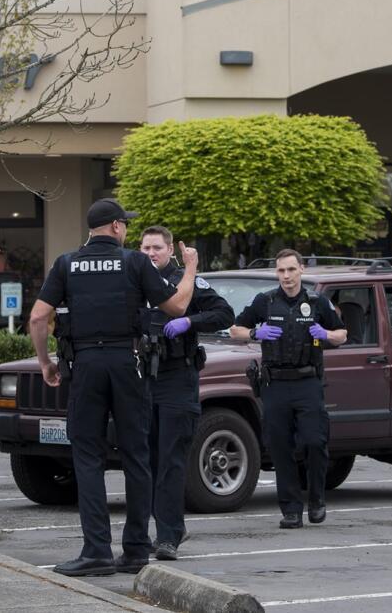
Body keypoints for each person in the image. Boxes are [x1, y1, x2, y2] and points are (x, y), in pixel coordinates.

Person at [28, 198, 198, 577]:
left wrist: (45, 362)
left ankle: (96, 552)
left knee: (88, 457)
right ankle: (136, 549)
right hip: (128, 363)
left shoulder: (67, 263)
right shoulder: (134, 262)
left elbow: (39, 317)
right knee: (137, 456)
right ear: (118, 227)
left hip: (85, 365)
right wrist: (190, 269)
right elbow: (178, 307)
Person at [230, 249, 346, 529]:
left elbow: (342, 334)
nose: (286, 276)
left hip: (308, 381)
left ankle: (316, 500)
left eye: (291, 270)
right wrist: (256, 333)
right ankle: (291, 509)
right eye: (281, 271)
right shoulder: (265, 301)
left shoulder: (317, 302)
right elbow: (235, 329)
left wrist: (326, 335)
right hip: (276, 384)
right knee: (280, 447)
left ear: (301, 270)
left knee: (314, 442)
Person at [138, 226, 234, 560]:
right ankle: (166, 528)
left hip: (177, 378)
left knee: (171, 461)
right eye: (146, 247)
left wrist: (189, 322)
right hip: (143, 379)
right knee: (147, 461)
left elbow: (224, 313)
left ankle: (167, 537)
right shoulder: (135, 279)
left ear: (170, 252)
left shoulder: (185, 279)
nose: (151, 253)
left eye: (157, 248)